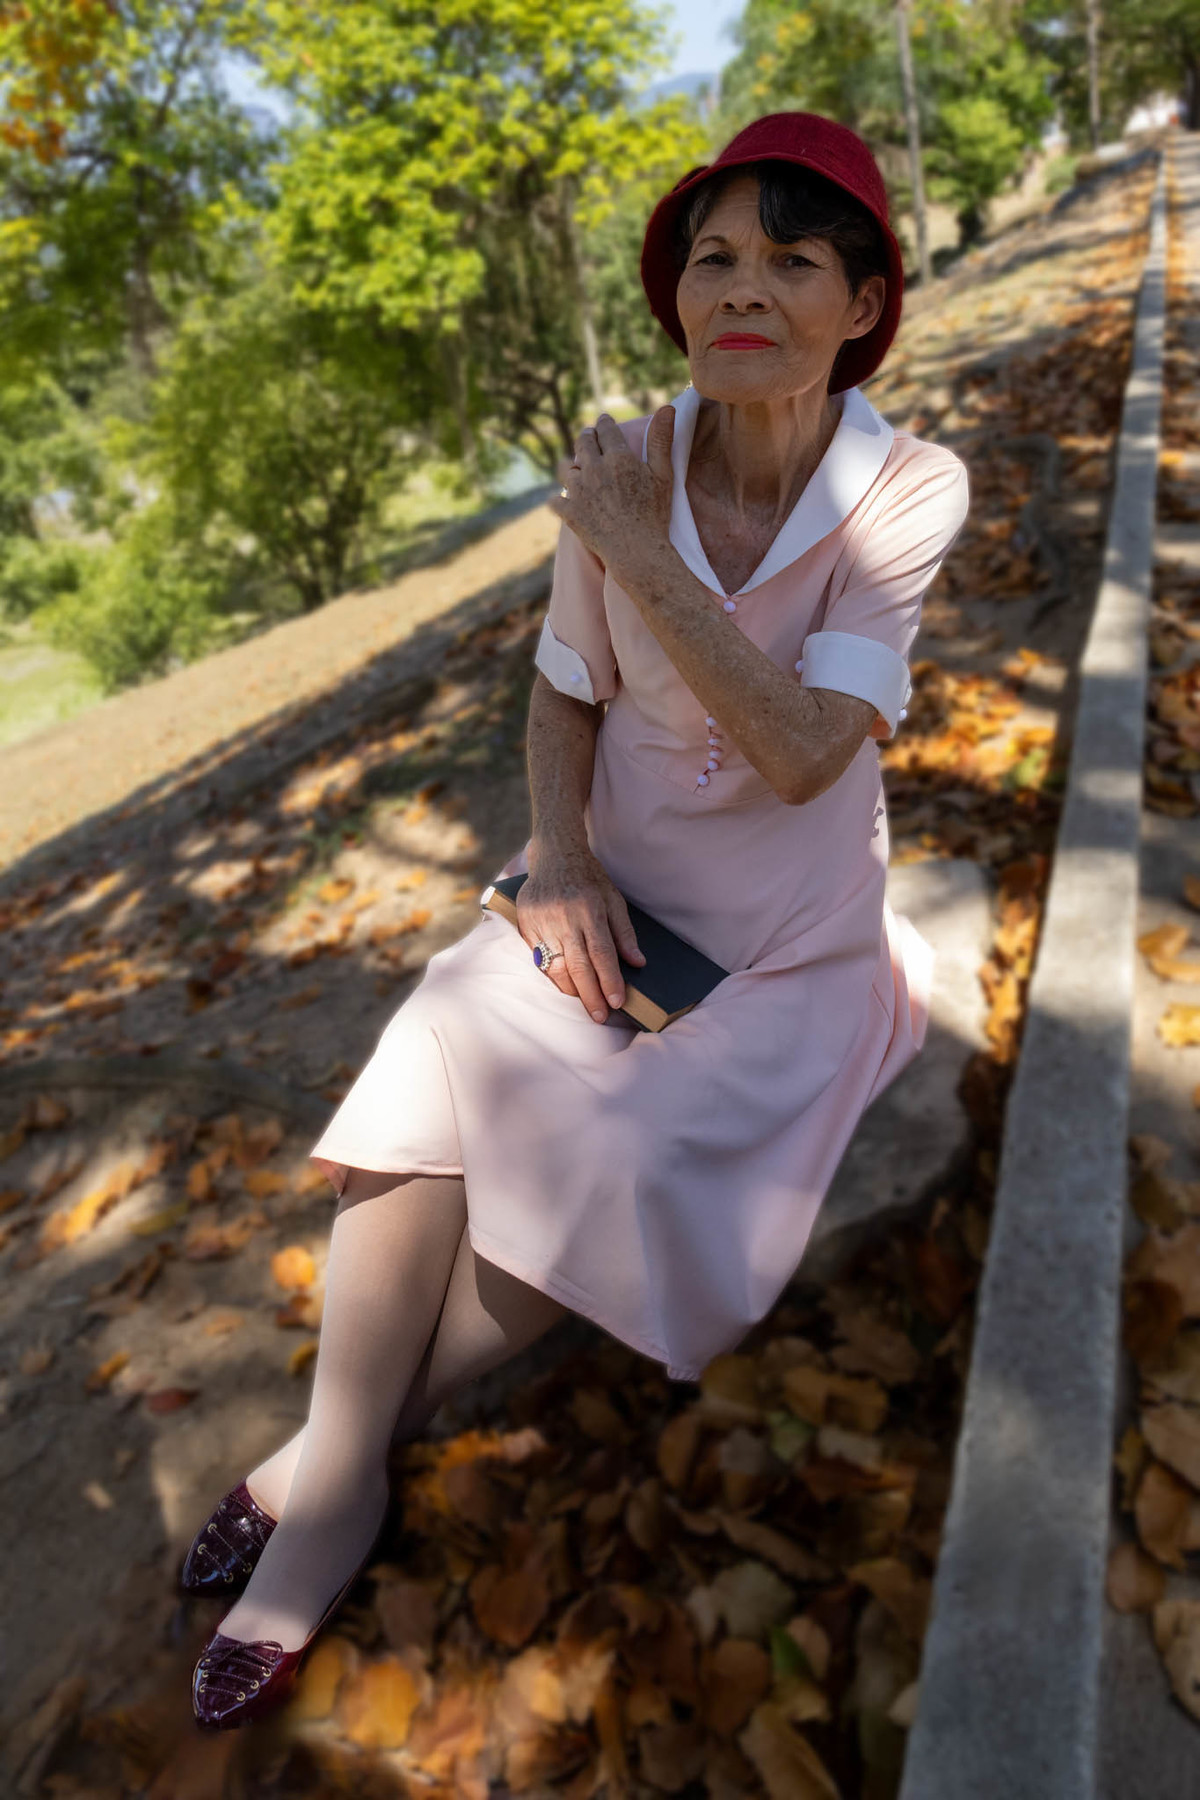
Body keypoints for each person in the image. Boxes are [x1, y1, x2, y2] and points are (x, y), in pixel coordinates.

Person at [188, 110, 970, 1730]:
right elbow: (565, 698)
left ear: (863, 303)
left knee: (620, 1143)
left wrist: (629, 543)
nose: (740, 286)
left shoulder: (907, 488)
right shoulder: (632, 450)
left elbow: (806, 749)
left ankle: (326, 1457)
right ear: (677, 293)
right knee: (443, 1033)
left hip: (783, 927)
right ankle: (341, 1487)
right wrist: (556, 858)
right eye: (712, 255)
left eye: (792, 259)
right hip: (607, 877)